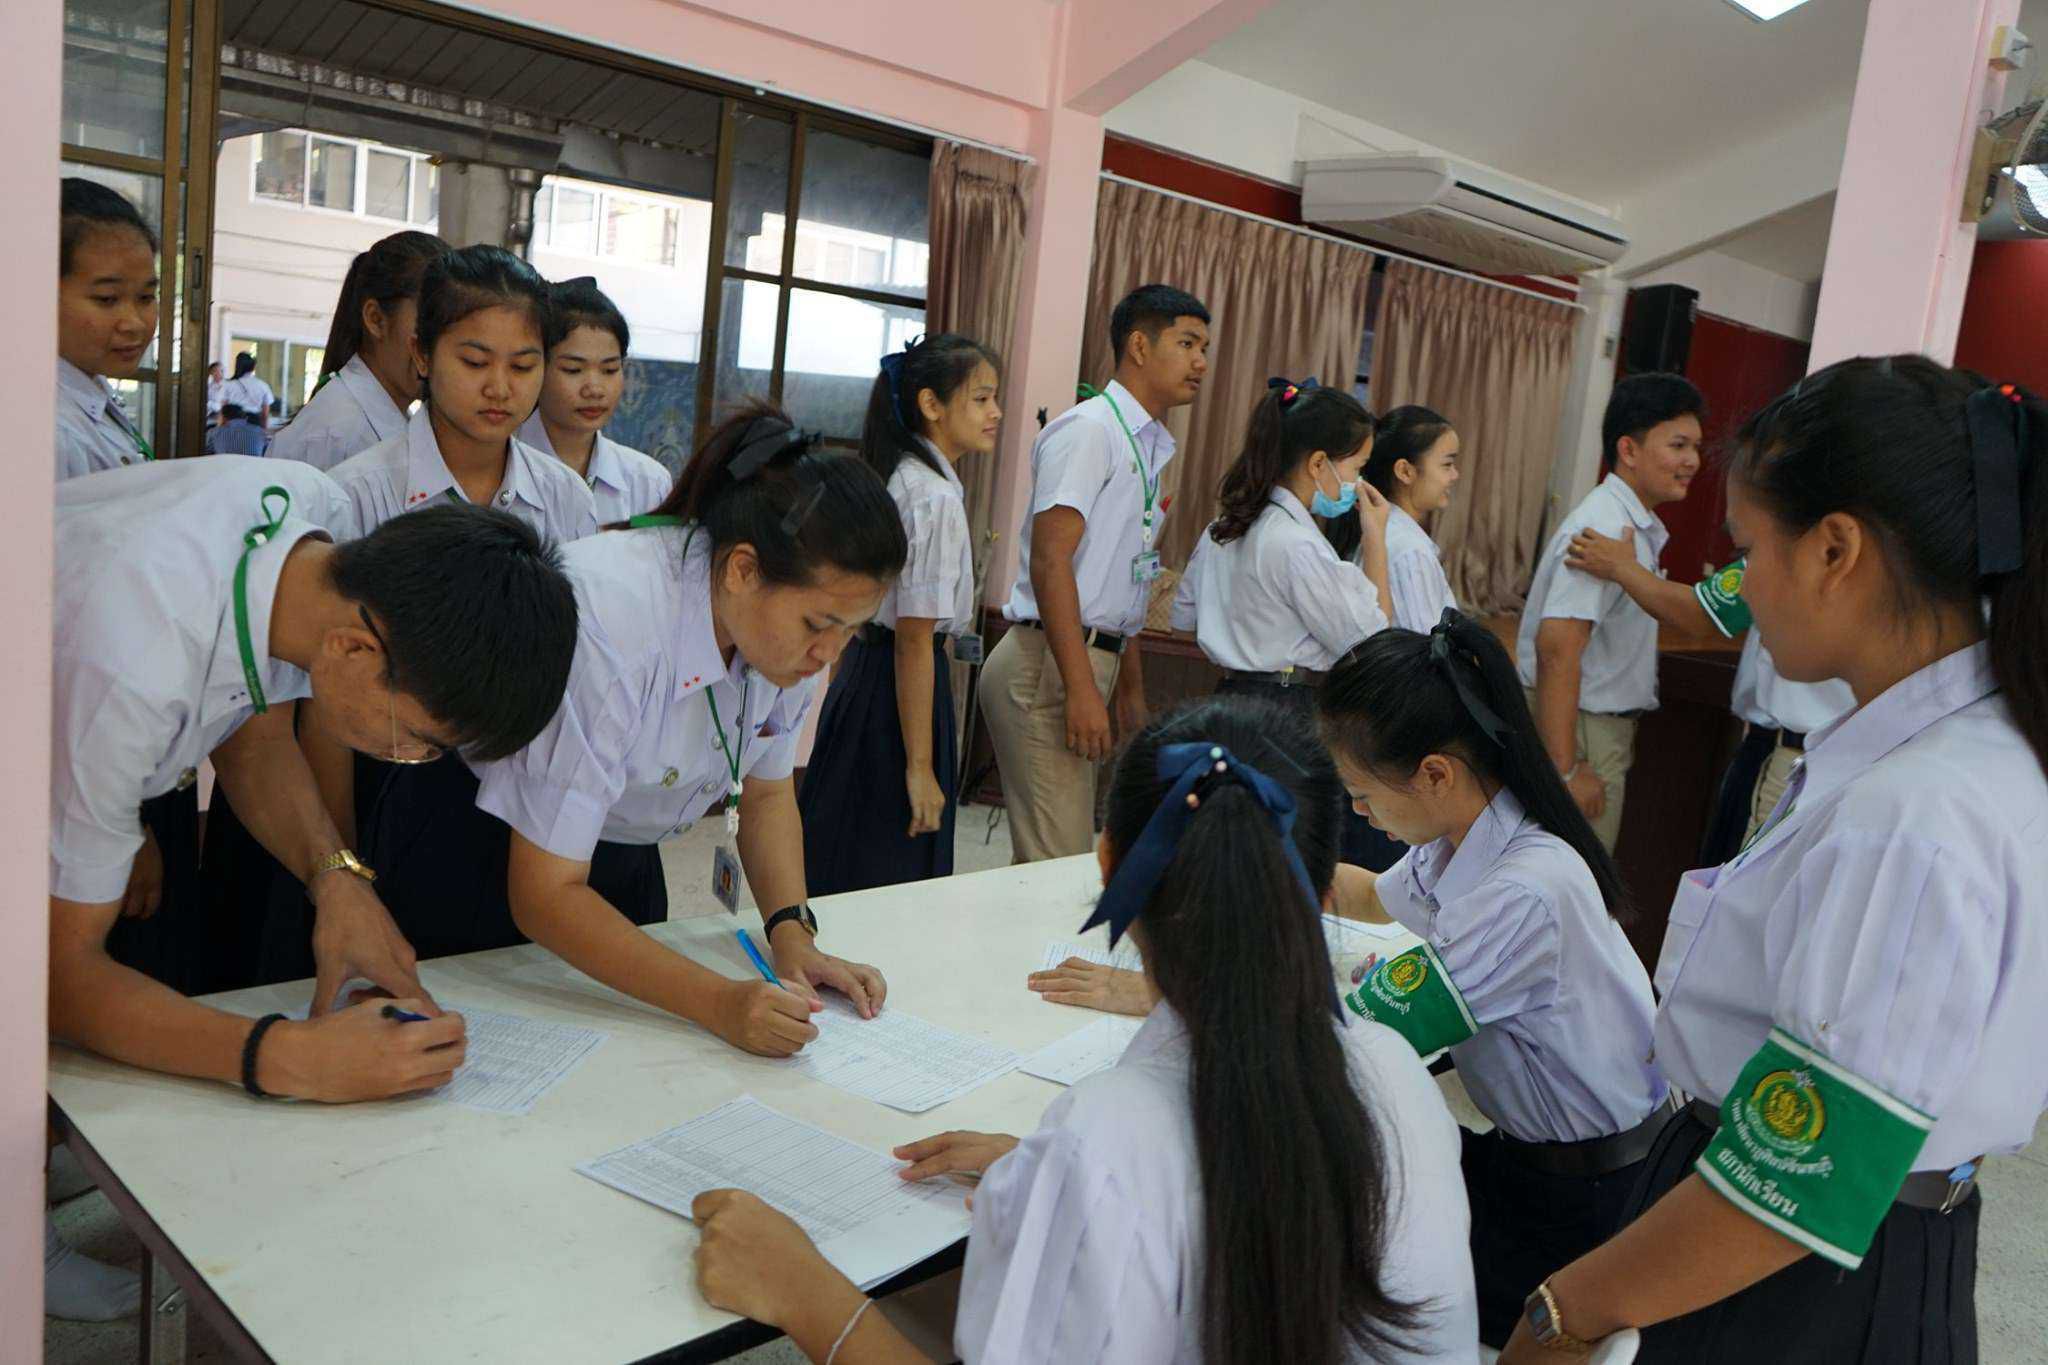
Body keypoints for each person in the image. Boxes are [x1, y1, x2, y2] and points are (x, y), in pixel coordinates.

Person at [1501, 356, 2048, 1363]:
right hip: (1818, 1245)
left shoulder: (1914, 809)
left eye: (1747, 548)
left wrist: (1563, 1312)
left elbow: (1800, 1177)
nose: (1741, 582)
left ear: (1834, 550)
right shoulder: (1958, 750)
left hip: (1788, 1273)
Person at [689, 696, 1479, 1363]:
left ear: (1109, 868)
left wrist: (804, 1290)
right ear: (1326, 888)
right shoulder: (1395, 1072)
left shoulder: (1103, 1138)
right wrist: (1051, 1177)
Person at [52, 457, 578, 1105]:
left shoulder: (315, 520)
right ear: (354, 649)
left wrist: (337, 880)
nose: (409, 755)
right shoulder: (130, 675)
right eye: (417, 740)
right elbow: (55, 976)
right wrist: (288, 1057)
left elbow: (254, 725)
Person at [472, 404, 904, 1056]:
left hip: (622, 854)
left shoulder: (784, 632)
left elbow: (766, 793)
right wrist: (718, 1002)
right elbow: (542, 894)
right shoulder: (613, 623)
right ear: (742, 570)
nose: (828, 655)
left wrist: (793, 934)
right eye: (819, 626)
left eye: (851, 631)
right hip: (490, 847)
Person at [216, 244, 597, 984]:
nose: (499, 387)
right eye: (474, 360)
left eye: (524, 366)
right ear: (422, 354)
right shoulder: (353, 495)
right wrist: (344, 864)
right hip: (382, 773)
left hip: (512, 792)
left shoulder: (564, 500)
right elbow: (321, 703)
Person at [1320, 610, 1669, 1347]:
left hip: (1584, 1202)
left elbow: (1362, 1034)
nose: (1359, 812)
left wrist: (1183, 992)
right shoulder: (1464, 834)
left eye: (1362, 794)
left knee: (1356, 1262)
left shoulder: (1522, 891)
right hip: (1532, 1159)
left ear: (1434, 773)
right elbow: (1367, 894)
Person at [982, 284, 1210, 863]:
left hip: (1084, 661)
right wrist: (1082, 688)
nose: (1201, 363)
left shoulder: (1146, 443)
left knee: (1048, 859)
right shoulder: (1089, 431)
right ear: (1139, 346)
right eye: (1187, 344)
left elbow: (1120, 580)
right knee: (1057, 865)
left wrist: (1127, 687)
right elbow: (1050, 561)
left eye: (1204, 348)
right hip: (1048, 667)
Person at [799, 333, 1001, 894]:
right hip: (898, 688)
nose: (996, 413)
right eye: (981, 399)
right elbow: (914, 640)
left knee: (842, 851)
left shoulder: (900, 477)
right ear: (931, 404)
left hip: (865, 675)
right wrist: (920, 766)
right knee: (888, 867)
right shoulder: (931, 495)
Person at [1561, 527, 1853, 866]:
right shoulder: (1882, 553)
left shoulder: (1800, 541)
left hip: (1792, 757)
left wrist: (1622, 567)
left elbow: (1700, 614)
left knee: (1748, 879)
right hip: (1837, 757)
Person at [1515, 372, 1704, 852]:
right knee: (1578, 876)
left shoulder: (1628, 524)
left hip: (1592, 728)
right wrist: (1565, 769)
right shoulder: (1605, 526)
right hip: (1582, 732)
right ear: (1629, 449)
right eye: (1678, 445)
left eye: (1695, 447)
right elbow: (1557, 650)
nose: (1692, 461)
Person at [267, 230, 448, 471]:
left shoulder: (394, 422)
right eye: (429, 320)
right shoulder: (337, 435)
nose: (442, 345)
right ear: (375, 319)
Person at [516, 276, 674, 522]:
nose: (595, 390)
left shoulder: (648, 482)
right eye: (573, 370)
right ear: (535, 367)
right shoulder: (498, 469)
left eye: (610, 370)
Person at [54, 178, 158, 480]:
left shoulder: (92, 388)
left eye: (145, 297)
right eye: (107, 299)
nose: (134, 324)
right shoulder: (49, 433)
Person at [1361, 405, 1463, 632]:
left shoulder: (1384, 531)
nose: (1455, 475)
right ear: (1405, 471)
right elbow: (1427, 645)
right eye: (1447, 465)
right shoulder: (1410, 551)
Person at [222, 351, 277, 431]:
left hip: (233, 423)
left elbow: (223, 409)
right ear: (253, 367)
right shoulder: (263, 385)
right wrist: (264, 430)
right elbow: (265, 414)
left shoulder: (229, 385)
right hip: (254, 423)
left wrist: (221, 427)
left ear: (237, 366)